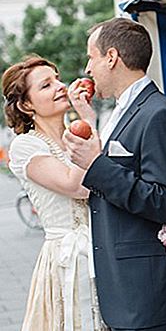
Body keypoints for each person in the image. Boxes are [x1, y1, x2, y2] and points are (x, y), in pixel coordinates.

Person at [62, 17, 166, 331]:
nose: (87, 68)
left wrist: (95, 165)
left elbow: (164, 202)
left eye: (91, 57)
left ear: (111, 58)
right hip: (123, 285)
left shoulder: (159, 114)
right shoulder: (123, 110)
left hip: (142, 287)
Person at [2, 56, 108, 330]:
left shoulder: (73, 136)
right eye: (46, 85)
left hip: (104, 248)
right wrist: (88, 120)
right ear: (26, 104)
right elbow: (78, 187)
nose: (60, 86)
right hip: (68, 260)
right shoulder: (25, 147)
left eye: (58, 79)